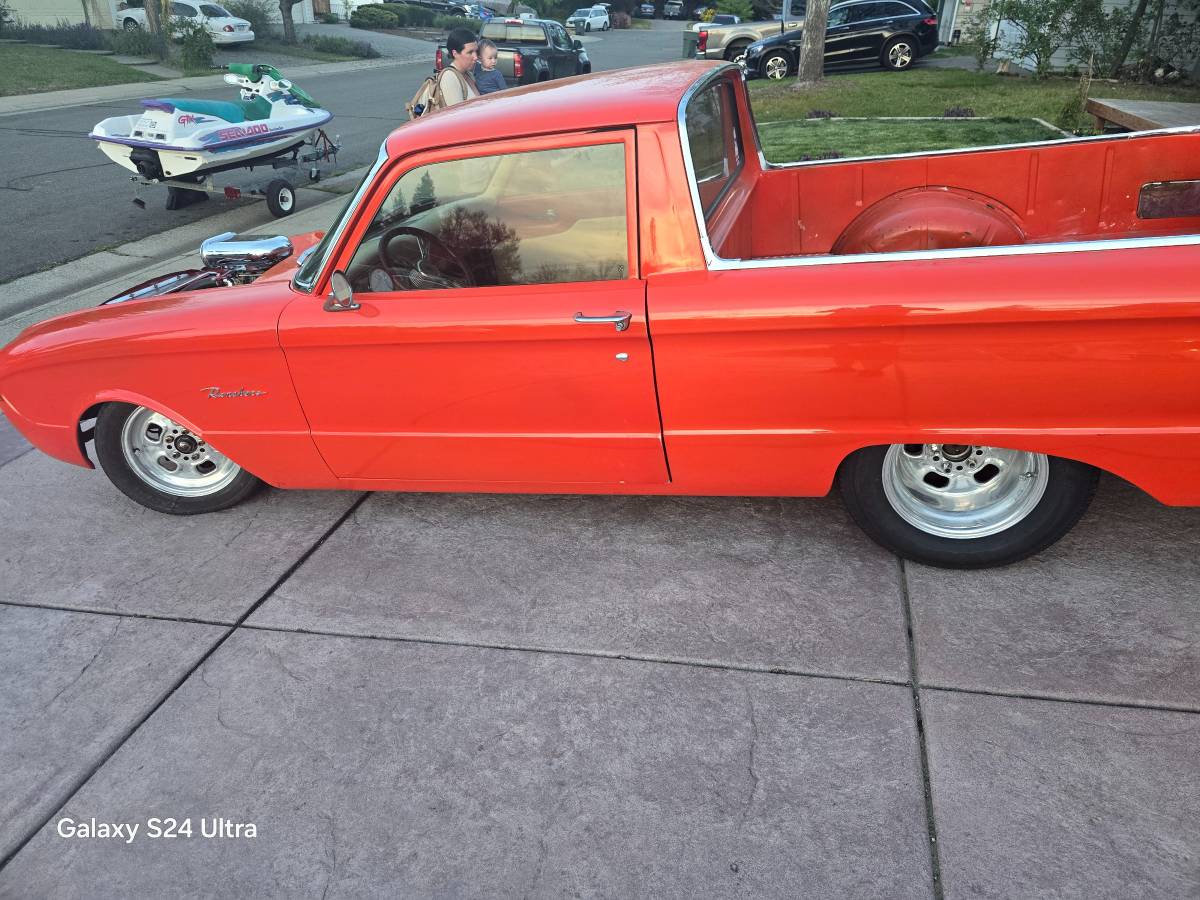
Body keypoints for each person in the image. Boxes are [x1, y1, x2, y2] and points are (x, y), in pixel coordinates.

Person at [437, 28, 480, 107]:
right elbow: (457, 115)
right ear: (455, 53)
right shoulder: (449, 77)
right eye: (470, 52)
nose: (475, 57)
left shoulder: (468, 74)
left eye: (476, 51)